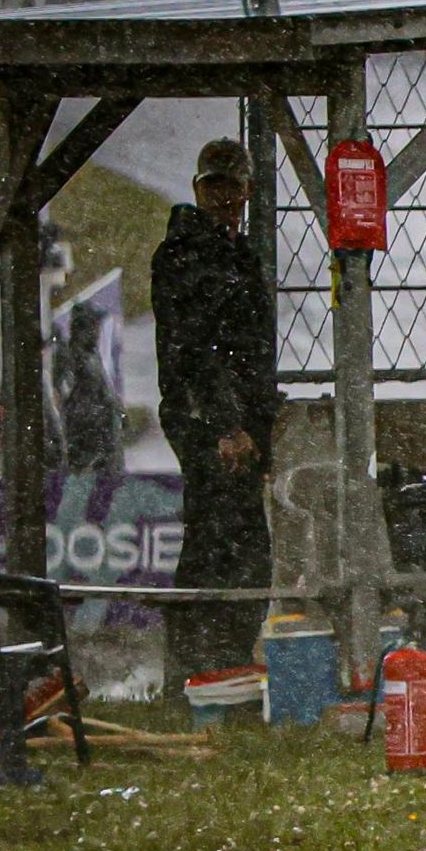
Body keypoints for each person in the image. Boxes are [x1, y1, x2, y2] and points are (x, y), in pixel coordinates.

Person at [151, 140, 280, 703]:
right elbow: (195, 348)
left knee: (234, 544)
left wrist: (254, 419)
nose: (226, 197)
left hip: (230, 419)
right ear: (198, 189)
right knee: (222, 544)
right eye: (215, 186)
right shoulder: (187, 252)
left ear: (247, 189)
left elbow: (240, 349)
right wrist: (228, 424)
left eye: (233, 186)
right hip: (209, 421)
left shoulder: (233, 251)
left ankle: (216, 668)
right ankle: (204, 671)